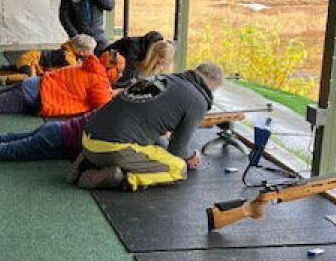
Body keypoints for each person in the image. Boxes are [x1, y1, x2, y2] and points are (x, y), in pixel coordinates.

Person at [69, 62, 225, 191]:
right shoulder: (198, 99)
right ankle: (125, 178)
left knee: (156, 146)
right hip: (113, 148)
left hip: (88, 138)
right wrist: (192, 156)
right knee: (178, 168)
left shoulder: (164, 78)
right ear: (212, 86)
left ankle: (87, 164)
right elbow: (178, 150)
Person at [0, 52, 120, 118]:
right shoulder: (100, 82)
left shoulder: (90, 67)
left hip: (34, 82)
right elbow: (102, 106)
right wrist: (117, 95)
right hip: (35, 96)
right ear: (113, 71)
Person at [0, 35, 96, 84]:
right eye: (90, 51)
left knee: (1, 68)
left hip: (30, 58)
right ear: (81, 50)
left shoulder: (69, 49)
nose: (91, 54)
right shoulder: (68, 57)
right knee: (24, 77)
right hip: (30, 60)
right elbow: (66, 72)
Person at [100, 31, 173, 84]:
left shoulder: (147, 47)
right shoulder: (133, 49)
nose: (160, 67)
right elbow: (125, 79)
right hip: (106, 67)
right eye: (158, 63)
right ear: (155, 55)